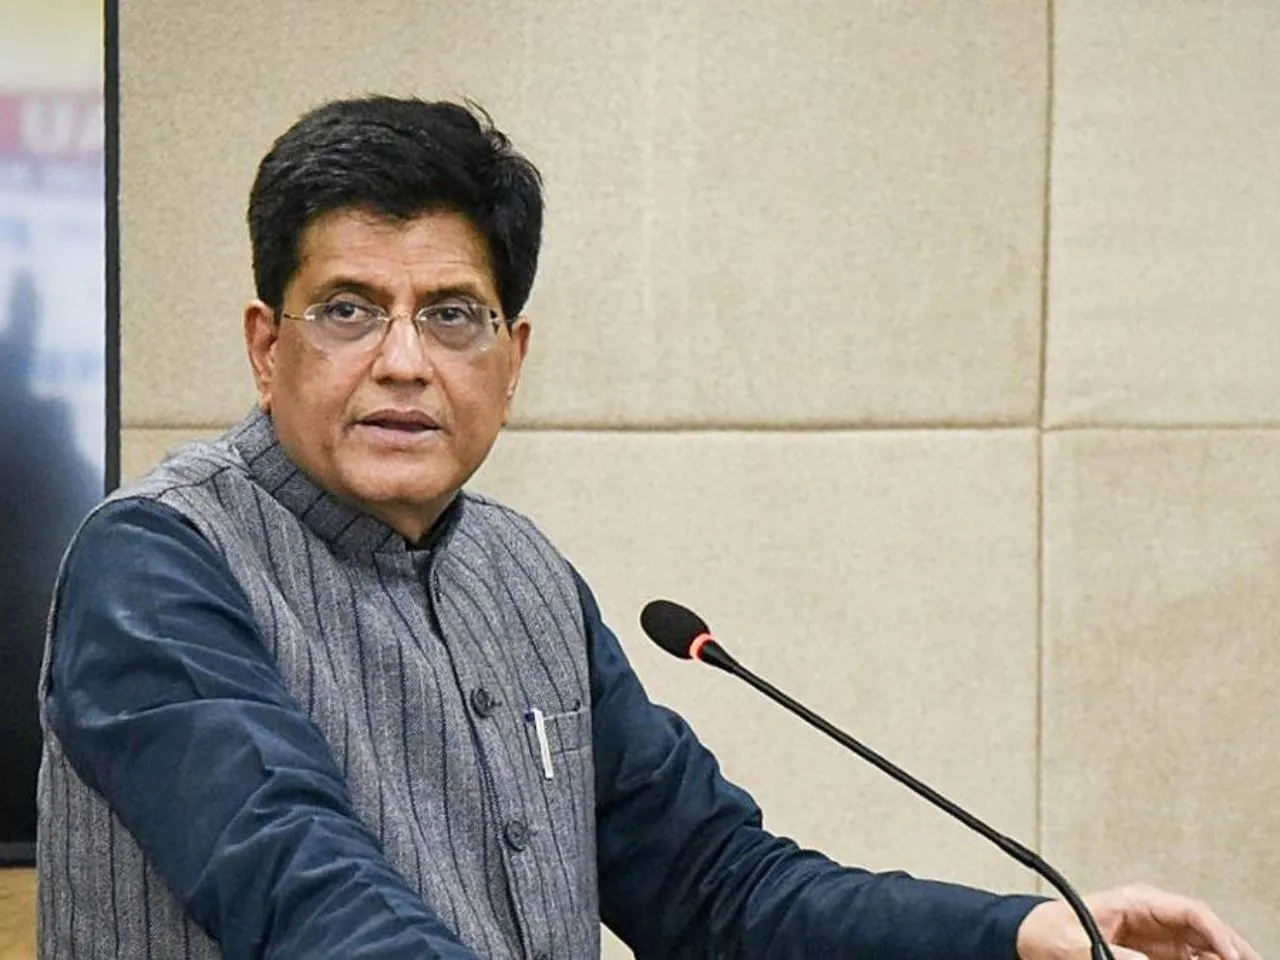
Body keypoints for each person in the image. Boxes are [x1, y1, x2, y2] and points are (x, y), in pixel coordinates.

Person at [37, 96, 1260, 960]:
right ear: (267, 347)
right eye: (349, 310)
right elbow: (305, 896)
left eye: (452, 315)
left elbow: (715, 888)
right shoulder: (156, 562)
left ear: (512, 360)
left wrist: (1022, 932)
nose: (403, 360)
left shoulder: (520, 575)